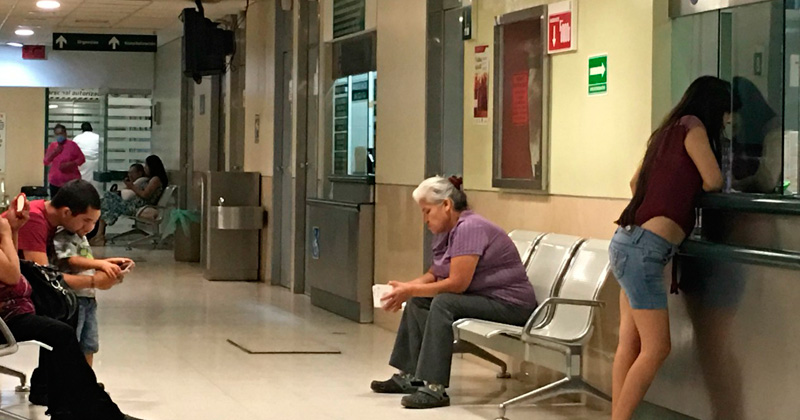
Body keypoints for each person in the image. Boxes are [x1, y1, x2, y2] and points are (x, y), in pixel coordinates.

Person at [608, 76, 730, 420]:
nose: (727, 122)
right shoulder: (693, 127)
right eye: (725, 114)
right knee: (657, 348)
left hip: (626, 241)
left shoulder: (664, 131)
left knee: (630, 343)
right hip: (645, 250)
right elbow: (714, 180)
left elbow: (635, 181)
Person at [370, 176, 537, 409]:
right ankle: (409, 375)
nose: (425, 219)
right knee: (420, 300)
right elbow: (435, 273)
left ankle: (435, 388)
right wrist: (405, 289)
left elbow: (458, 284)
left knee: (444, 302)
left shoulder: (470, 228)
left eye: (427, 211)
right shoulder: (447, 231)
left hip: (511, 305)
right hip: (484, 299)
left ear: (446, 205)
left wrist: (411, 289)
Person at [0, 193, 144, 420]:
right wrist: (5, 233)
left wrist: (13, 231)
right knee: (61, 332)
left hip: (12, 308)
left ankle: (64, 402)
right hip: (6, 316)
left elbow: (11, 264)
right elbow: (13, 275)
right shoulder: (34, 221)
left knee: (65, 311)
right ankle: (94, 409)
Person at [13, 180, 121, 406]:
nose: (90, 227)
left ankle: (56, 384)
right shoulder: (34, 220)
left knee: (65, 311)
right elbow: (44, 282)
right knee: (61, 315)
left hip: (16, 293)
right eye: (86, 220)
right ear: (66, 212)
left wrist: (100, 266)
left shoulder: (55, 224)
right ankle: (62, 387)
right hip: (10, 302)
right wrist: (94, 280)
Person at [52, 225, 133, 367]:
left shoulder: (81, 237)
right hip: (73, 300)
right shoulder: (64, 234)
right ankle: (68, 377)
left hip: (88, 298)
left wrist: (108, 265)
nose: (88, 226)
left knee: (89, 344)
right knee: (71, 343)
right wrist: (100, 265)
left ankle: (87, 377)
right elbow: (71, 261)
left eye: (93, 222)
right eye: (85, 220)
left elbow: (85, 263)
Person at [93, 155, 168, 245]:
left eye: (146, 166)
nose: (145, 168)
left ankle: (99, 236)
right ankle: (99, 235)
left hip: (138, 206)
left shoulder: (155, 180)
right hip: (136, 204)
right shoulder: (152, 179)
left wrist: (132, 186)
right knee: (107, 200)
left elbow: (145, 195)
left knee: (108, 202)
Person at [730, 77, 782, 193]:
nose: (728, 120)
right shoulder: (742, 135)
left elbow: (767, 182)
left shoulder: (773, 133)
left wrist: (736, 185)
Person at [44, 124, 85, 198]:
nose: (59, 136)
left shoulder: (72, 145)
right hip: (55, 182)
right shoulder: (53, 146)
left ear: (65, 133)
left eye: (61, 133)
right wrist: (54, 153)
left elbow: (82, 159)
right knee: (55, 203)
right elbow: (46, 161)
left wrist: (70, 164)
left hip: (70, 183)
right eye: (57, 134)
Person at [72, 122, 101, 193]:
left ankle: (82, 194)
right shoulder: (98, 137)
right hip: (95, 162)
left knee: (82, 179)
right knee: (95, 182)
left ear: (82, 129)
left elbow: (73, 150)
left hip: (83, 162)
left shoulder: (77, 138)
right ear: (91, 129)